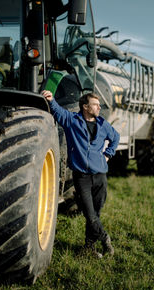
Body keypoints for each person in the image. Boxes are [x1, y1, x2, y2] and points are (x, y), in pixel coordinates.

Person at [42, 90, 120, 258]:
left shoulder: (103, 124)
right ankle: (105, 238)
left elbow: (116, 137)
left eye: (99, 104)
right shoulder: (72, 121)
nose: (99, 107)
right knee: (89, 214)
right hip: (81, 177)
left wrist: (108, 155)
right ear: (85, 107)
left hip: (100, 176)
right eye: (95, 104)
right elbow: (58, 111)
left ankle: (88, 248)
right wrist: (51, 99)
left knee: (95, 214)